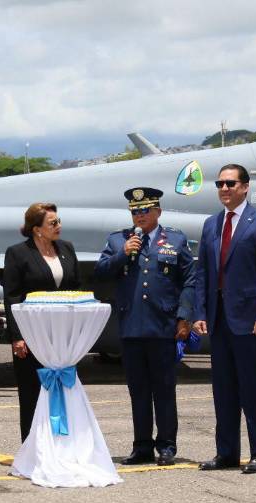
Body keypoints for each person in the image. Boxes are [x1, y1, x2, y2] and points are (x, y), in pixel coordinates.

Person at [94, 188, 195, 466]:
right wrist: (122, 255)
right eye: (135, 211)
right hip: (132, 326)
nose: (139, 216)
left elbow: (189, 279)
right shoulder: (119, 240)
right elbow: (101, 271)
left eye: (145, 211)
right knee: (137, 390)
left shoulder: (174, 239)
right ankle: (141, 446)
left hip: (163, 326)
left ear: (158, 212)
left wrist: (184, 316)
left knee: (163, 389)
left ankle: (166, 445)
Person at [193, 164, 256, 474]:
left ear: (245, 187)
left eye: (230, 183)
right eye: (220, 183)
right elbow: (203, 272)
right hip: (218, 319)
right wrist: (200, 312)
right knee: (224, 389)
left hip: (249, 319)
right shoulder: (211, 224)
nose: (224, 188)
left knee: (252, 387)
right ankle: (227, 453)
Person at [3, 202, 80, 442]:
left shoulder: (67, 248)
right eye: (53, 223)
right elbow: (12, 297)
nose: (59, 226)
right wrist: (17, 336)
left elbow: (75, 288)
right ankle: (32, 446)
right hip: (32, 335)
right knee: (32, 393)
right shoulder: (17, 253)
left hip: (61, 336)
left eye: (59, 221)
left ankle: (61, 443)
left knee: (63, 392)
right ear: (37, 229)